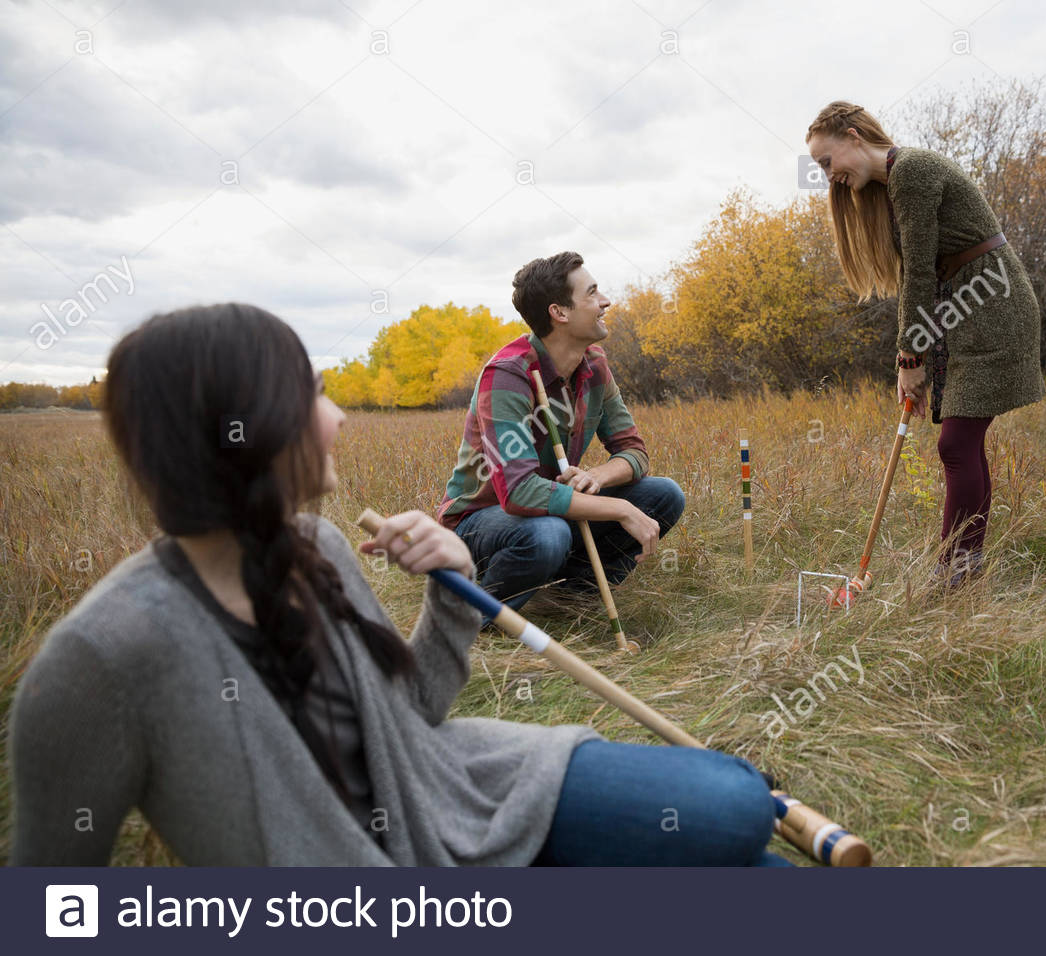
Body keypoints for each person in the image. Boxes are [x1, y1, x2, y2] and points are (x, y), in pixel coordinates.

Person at [6, 303, 788, 866]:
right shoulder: (100, 656)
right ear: (240, 427)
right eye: (310, 393)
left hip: (449, 788)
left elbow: (409, 714)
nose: (338, 416)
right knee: (738, 818)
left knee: (738, 818)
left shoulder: (316, 544)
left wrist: (453, 587)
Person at [806, 101, 1046, 588]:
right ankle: (965, 566)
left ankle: (953, 571)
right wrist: (912, 357)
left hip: (994, 307)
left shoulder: (912, 171)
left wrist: (911, 355)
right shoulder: (892, 183)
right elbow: (918, 276)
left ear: (853, 137)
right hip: (968, 309)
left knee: (956, 443)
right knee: (965, 444)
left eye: (826, 161)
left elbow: (919, 271)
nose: (827, 174)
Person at [436, 251, 685, 619]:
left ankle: (571, 601)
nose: (606, 302)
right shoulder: (507, 375)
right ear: (560, 312)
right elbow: (519, 493)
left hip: (549, 510)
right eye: (592, 293)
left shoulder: (595, 365)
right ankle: (472, 615)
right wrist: (618, 508)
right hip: (479, 520)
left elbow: (633, 452)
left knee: (663, 495)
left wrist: (596, 476)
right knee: (548, 535)